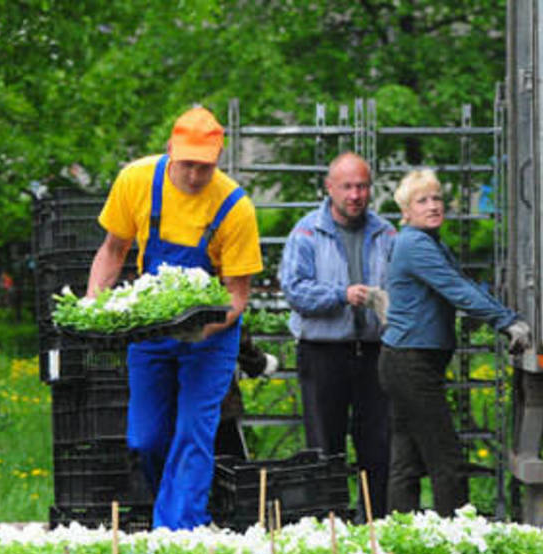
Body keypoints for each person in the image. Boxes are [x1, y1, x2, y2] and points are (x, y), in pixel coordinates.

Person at [86, 106, 263, 530]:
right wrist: (94, 305)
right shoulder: (137, 180)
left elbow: (237, 297)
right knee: (145, 438)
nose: (195, 176)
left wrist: (195, 327)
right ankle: (178, 510)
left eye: (206, 167)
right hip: (151, 327)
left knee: (193, 431)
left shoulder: (235, 207)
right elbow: (113, 250)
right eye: (187, 165)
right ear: (170, 151)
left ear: (218, 160)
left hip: (211, 335)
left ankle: (181, 530)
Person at [379, 168, 532, 516]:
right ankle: (459, 540)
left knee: (407, 458)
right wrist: (507, 321)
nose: (433, 206)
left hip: (407, 361)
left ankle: (401, 540)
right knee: (444, 456)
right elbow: (457, 289)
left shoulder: (428, 242)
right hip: (410, 363)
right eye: (422, 201)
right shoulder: (415, 244)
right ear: (406, 211)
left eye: (437, 198)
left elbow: (460, 285)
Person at [278, 152, 395, 518]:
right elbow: (294, 290)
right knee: (325, 445)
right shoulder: (307, 232)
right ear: (330, 188)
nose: (356, 195)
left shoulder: (387, 233)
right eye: (347, 186)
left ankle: (375, 526)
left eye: (362, 186)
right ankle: (330, 526)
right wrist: (341, 296)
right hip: (322, 352)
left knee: (378, 444)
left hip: (375, 352)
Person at [215, 329, 279, 459]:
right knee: (232, 465)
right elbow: (234, 333)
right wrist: (259, 362)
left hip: (171, 405)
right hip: (219, 403)